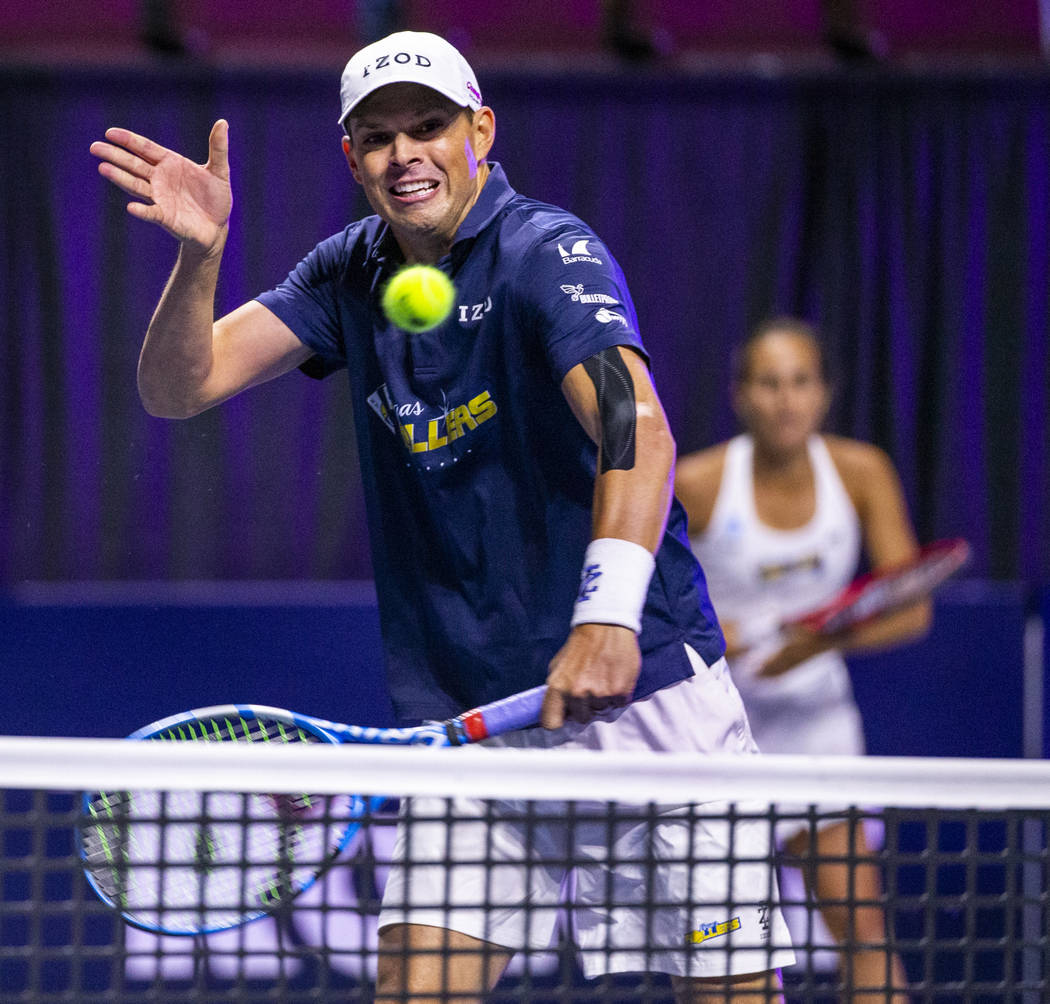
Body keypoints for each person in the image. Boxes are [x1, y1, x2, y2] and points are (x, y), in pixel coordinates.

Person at [90, 31, 795, 1001]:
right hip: (469, 727)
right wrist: (200, 257)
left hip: (645, 699)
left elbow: (641, 429)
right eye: (377, 137)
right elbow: (180, 385)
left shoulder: (546, 250)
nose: (403, 153)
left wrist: (605, 617)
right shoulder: (348, 272)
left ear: (480, 130)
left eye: (428, 126)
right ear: (351, 158)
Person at [675, 316, 930, 1002]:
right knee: (717, 951)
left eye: (800, 382)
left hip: (820, 735)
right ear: (740, 395)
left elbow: (910, 606)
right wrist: (717, 633)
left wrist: (819, 642)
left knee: (865, 934)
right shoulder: (696, 483)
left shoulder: (861, 472)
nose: (785, 399)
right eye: (768, 383)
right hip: (719, 740)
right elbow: (645, 606)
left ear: (823, 394)